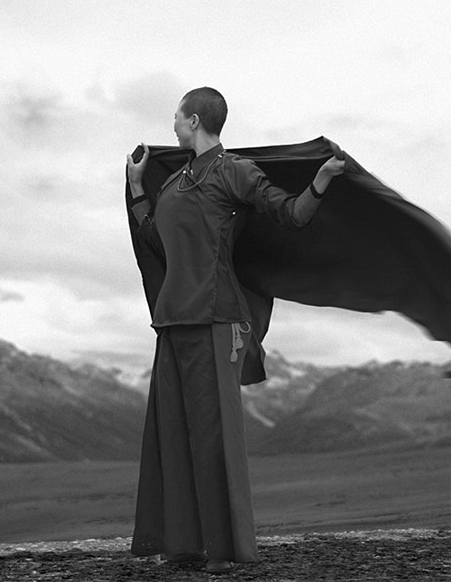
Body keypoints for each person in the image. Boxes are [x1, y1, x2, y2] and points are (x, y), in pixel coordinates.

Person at [125, 87, 344, 573]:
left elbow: (291, 215)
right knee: (174, 434)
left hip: (217, 318)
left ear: (195, 119)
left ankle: (226, 550)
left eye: (177, 117)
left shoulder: (234, 171)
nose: (173, 125)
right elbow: (155, 239)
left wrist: (323, 178)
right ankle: (183, 547)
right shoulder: (176, 180)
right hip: (173, 320)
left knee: (213, 435)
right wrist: (137, 185)